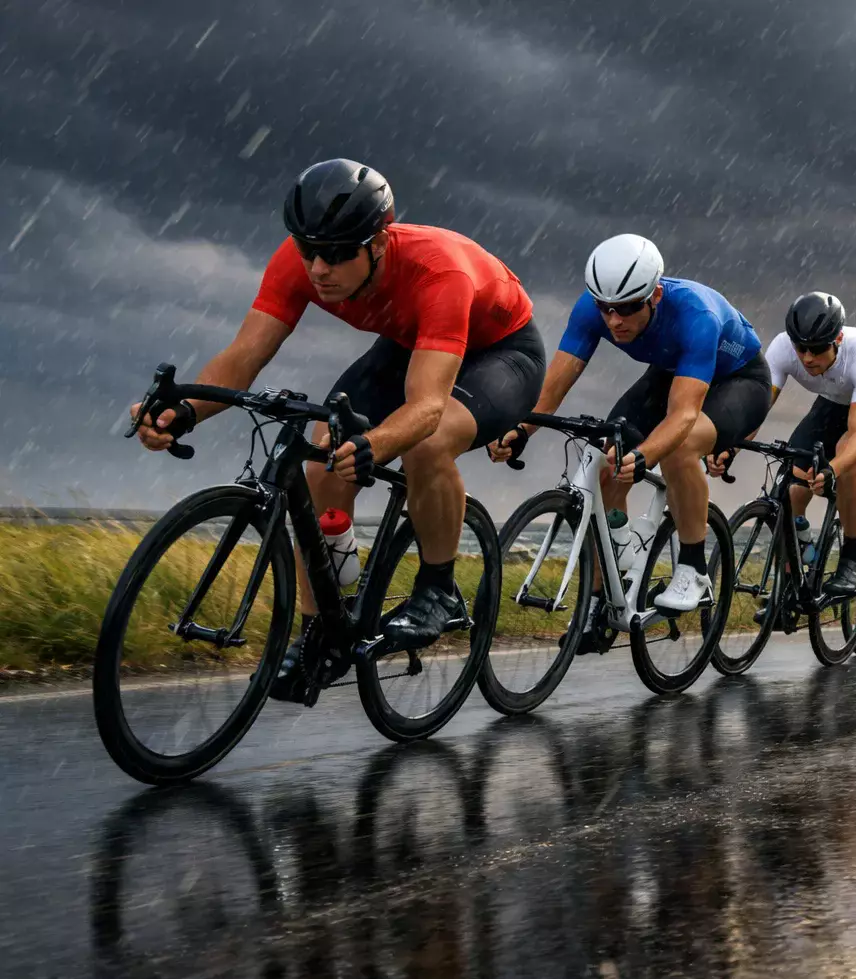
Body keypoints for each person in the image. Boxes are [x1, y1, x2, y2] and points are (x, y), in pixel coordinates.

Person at [131, 158, 545, 697]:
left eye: (336, 254)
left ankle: (440, 589)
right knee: (322, 458)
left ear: (377, 243)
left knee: (429, 442)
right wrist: (182, 410)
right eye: (309, 252)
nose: (319, 268)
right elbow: (245, 355)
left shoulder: (438, 272)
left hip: (502, 353)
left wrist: (376, 444)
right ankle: (324, 630)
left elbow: (426, 408)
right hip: (408, 344)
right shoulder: (299, 261)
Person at [492, 234, 772, 613]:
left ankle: (694, 570)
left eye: (626, 308)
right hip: (672, 370)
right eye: (605, 308)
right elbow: (555, 384)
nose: (614, 320)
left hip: (739, 381)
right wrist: (521, 427)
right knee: (607, 457)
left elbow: (684, 415)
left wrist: (645, 456)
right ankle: (598, 602)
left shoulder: (696, 315)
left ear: (655, 295)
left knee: (677, 448)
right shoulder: (592, 310)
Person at [719, 292, 856, 597]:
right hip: (833, 403)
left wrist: (834, 469)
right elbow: (757, 408)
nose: (807, 358)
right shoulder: (783, 348)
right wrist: (731, 445)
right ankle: (795, 567)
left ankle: (852, 561)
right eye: (801, 349)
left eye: (817, 349)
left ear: (837, 338)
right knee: (793, 477)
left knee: (850, 454)